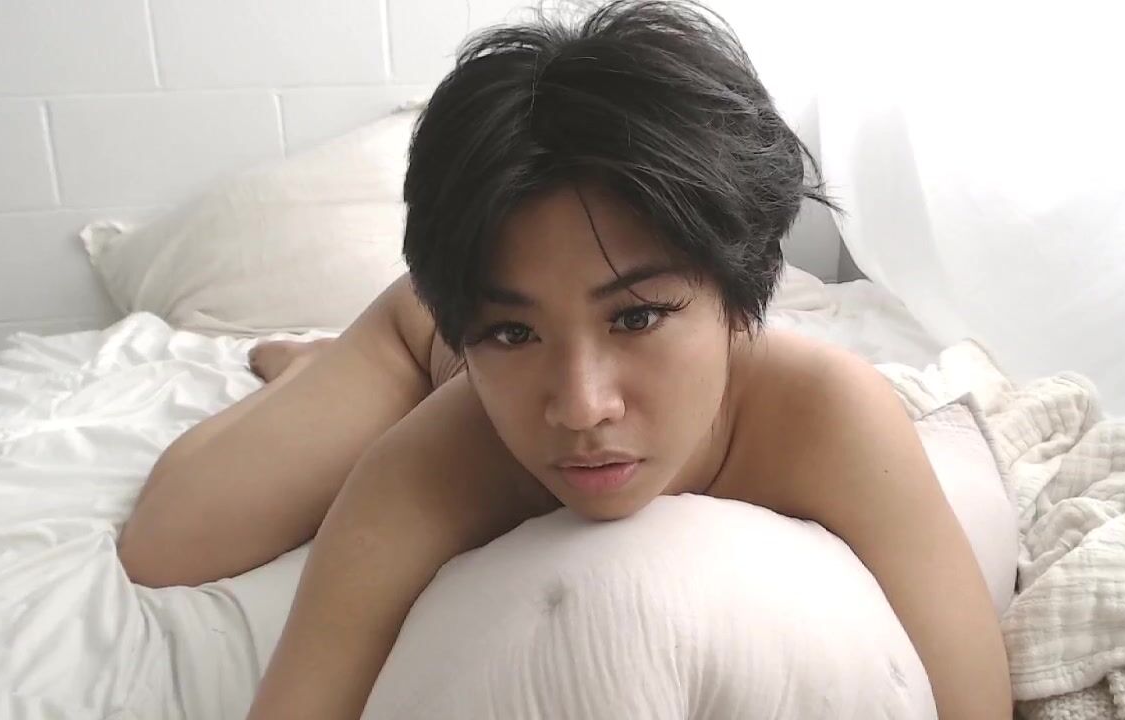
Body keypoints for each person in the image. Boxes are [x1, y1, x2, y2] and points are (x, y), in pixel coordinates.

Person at [115, 1, 1014, 717]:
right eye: (513, 332)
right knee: (171, 544)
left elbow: (976, 705)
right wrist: (454, 347)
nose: (581, 407)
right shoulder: (432, 457)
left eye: (637, 317)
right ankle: (325, 368)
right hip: (415, 341)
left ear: (740, 295)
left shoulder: (831, 418)